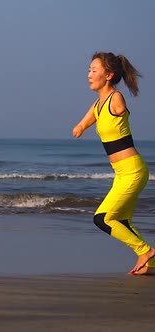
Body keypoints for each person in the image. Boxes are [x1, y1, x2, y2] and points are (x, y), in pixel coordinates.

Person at [72, 51, 154, 275]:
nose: (89, 74)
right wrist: (81, 126)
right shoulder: (100, 104)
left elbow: (109, 106)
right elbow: (93, 112)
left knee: (103, 218)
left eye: (94, 70)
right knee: (122, 222)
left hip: (133, 171)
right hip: (122, 173)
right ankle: (150, 263)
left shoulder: (115, 99)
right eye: (89, 70)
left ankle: (145, 251)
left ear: (109, 75)